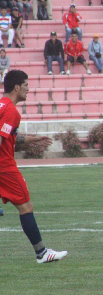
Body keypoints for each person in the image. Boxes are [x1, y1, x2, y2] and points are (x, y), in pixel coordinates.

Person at [0, 70, 68, 263]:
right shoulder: (12, 111)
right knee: (25, 206)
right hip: (4, 167)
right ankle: (41, 253)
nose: (29, 90)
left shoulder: (1, 106)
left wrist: (33, 139)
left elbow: (10, 136)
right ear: (17, 87)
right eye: (27, 86)